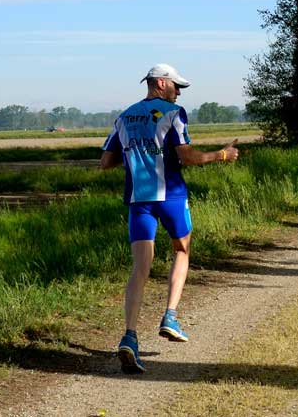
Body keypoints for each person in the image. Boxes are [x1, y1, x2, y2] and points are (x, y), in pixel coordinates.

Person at [100, 63, 240, 374]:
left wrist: (137, 154)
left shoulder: (123, 117)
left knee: (140, 267)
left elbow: (106, 162)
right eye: (177, 86)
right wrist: (221, 155)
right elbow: (187, 157)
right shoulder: (174, 113)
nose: (179, 92)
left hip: (138, 200)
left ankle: (130, 337)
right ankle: (170, 316)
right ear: (161, 83)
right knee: (182, 250)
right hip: (172, 197)